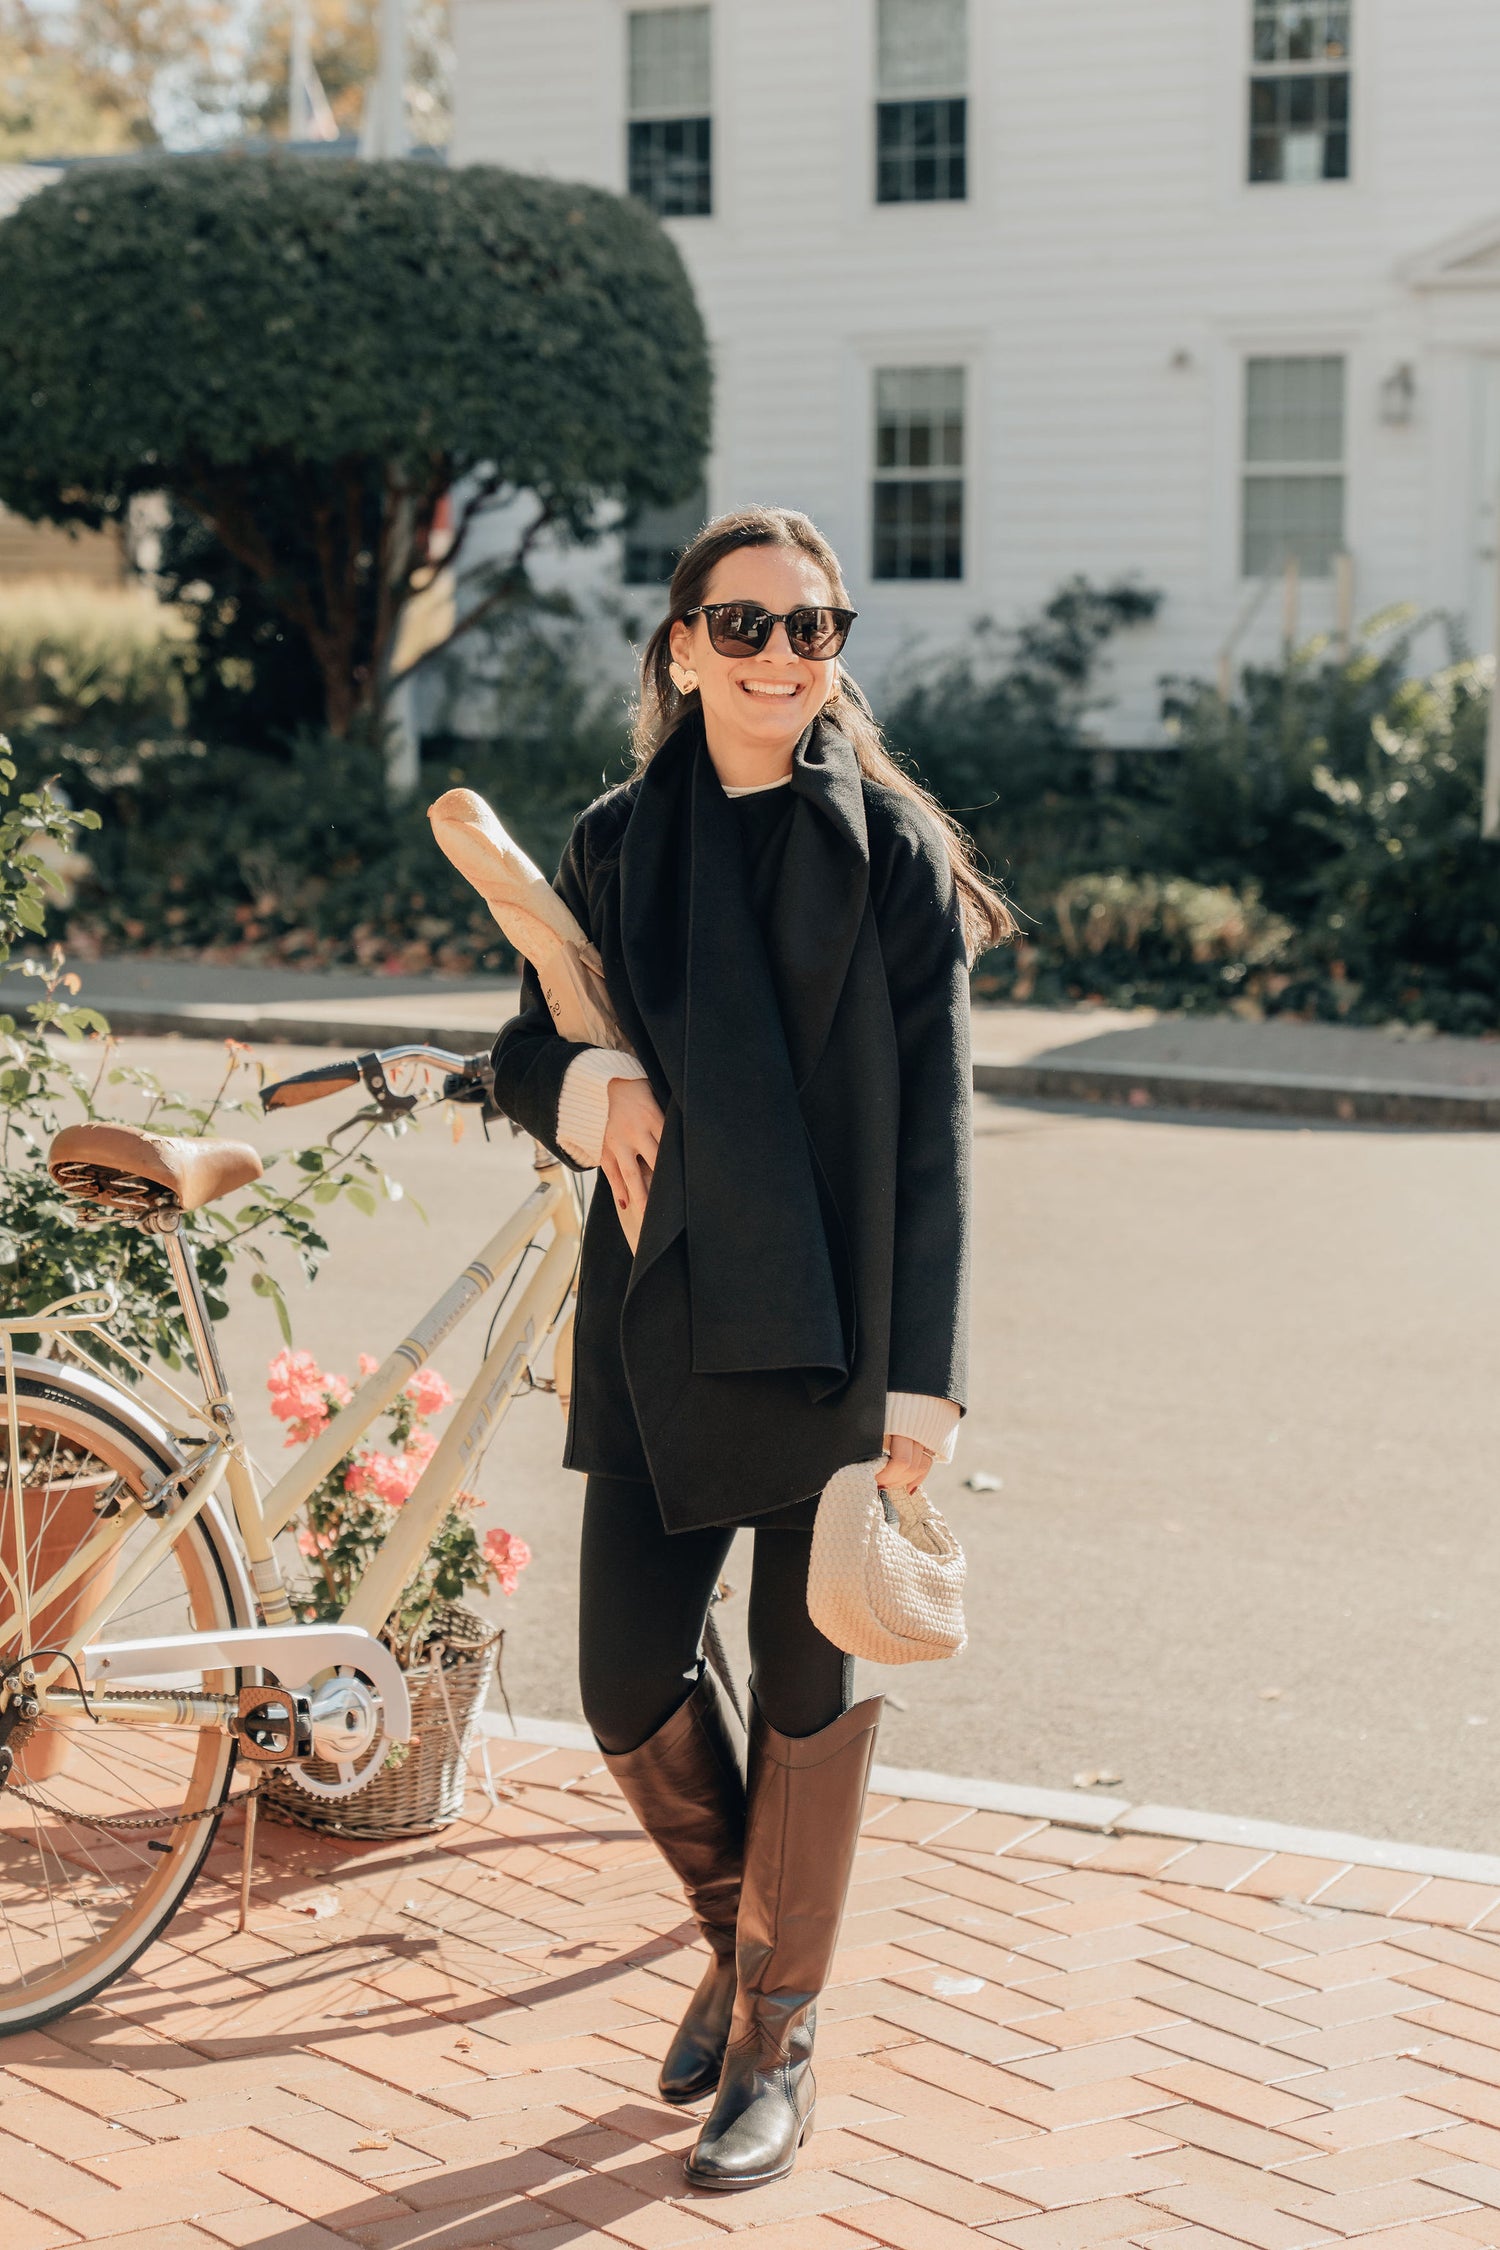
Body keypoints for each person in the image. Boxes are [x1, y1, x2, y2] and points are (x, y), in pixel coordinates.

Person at [491, 504, 1013, 2191]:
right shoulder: (614, 842)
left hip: (836, 1341)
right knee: (623, 1681)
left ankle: (778, 2038)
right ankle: (744, 1942)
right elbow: (524, 1040)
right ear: (682, 643)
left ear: (836, 651)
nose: (782, 655)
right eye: (746, 623)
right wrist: (585, 1086)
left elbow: (937, 1133)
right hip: (662, 1323)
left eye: (814, 627)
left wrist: (925, 1381)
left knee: (803, 1694)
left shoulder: (893, 852)